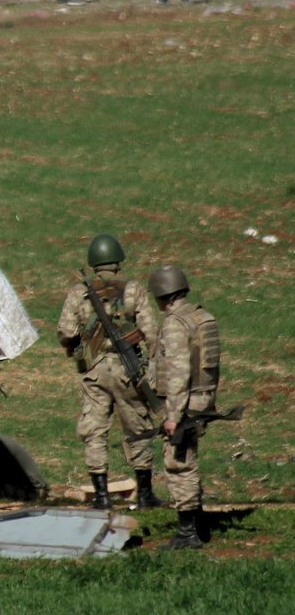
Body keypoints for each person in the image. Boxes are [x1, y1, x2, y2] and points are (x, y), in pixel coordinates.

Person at [57, 234, 161, 510]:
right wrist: (152, 367)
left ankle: (102, 496)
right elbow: (151, 332)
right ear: (118, 260)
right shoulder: (133, 289)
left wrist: (79, 345)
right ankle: (144, 493)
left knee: (94, 431)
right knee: (138, 427)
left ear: (93, 262)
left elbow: (66, 332)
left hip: (95, 370)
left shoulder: (79, 291)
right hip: (128, 369)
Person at [148, 265, 220, 550]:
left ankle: (187, 532)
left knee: (179, 463)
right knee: (188, 457)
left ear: (162, 296)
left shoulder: (176, 323)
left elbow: (178, 372)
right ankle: (198, 521)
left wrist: (173, 415)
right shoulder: (202, 316)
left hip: (185, 403)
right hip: (202, 398)